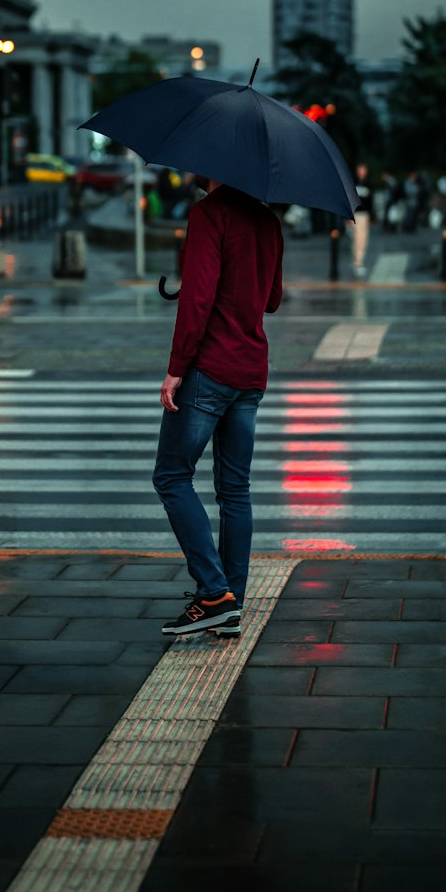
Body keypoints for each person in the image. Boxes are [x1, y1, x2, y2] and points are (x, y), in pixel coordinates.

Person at [152, 178, 284, 637]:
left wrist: (176, 367)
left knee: (170, 476)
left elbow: (198, 299)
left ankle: (212, 592)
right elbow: (272, 299)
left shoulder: (210, 214)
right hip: (251, 370)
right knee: (235, 490)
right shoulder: (268, 219)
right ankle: (231, 603)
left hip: (210, 367)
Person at [349, 162, 373, 277]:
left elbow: (370, 202)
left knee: (363, 239)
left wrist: (371, 216)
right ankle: (357, 263)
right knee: (357, 239)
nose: (362, 172)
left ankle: (359, 261)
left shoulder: (368, 184)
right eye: (360, 169)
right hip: (356, 215)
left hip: (364, 214)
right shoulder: (353, 183)